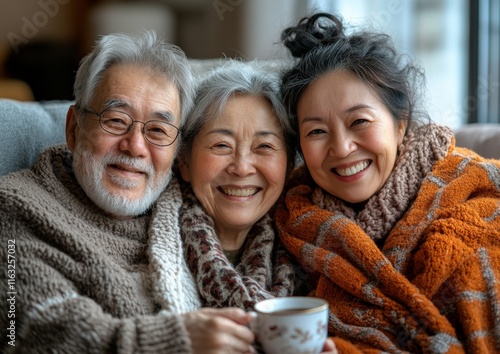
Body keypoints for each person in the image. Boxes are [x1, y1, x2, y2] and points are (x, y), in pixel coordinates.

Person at [0, 32, 256, 354]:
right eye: (116, 121)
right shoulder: (14, 207)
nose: (135, 146)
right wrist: (175, 340)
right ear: (74, 130)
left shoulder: (189, 215)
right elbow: (32, 329)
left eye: (158, 130)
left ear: (176, 150)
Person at [275, 12, 500, 353]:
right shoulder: (290, 221)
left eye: (359, 121)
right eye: (316, 131)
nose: (341, 147)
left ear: (400, 124)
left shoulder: (471, 193)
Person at [173, 60, 336, 353]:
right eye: (221, 145)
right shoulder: (140, 244)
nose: (242, 167)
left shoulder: (310, 256)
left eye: (264, 147)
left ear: (289, 167)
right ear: (184, 160)